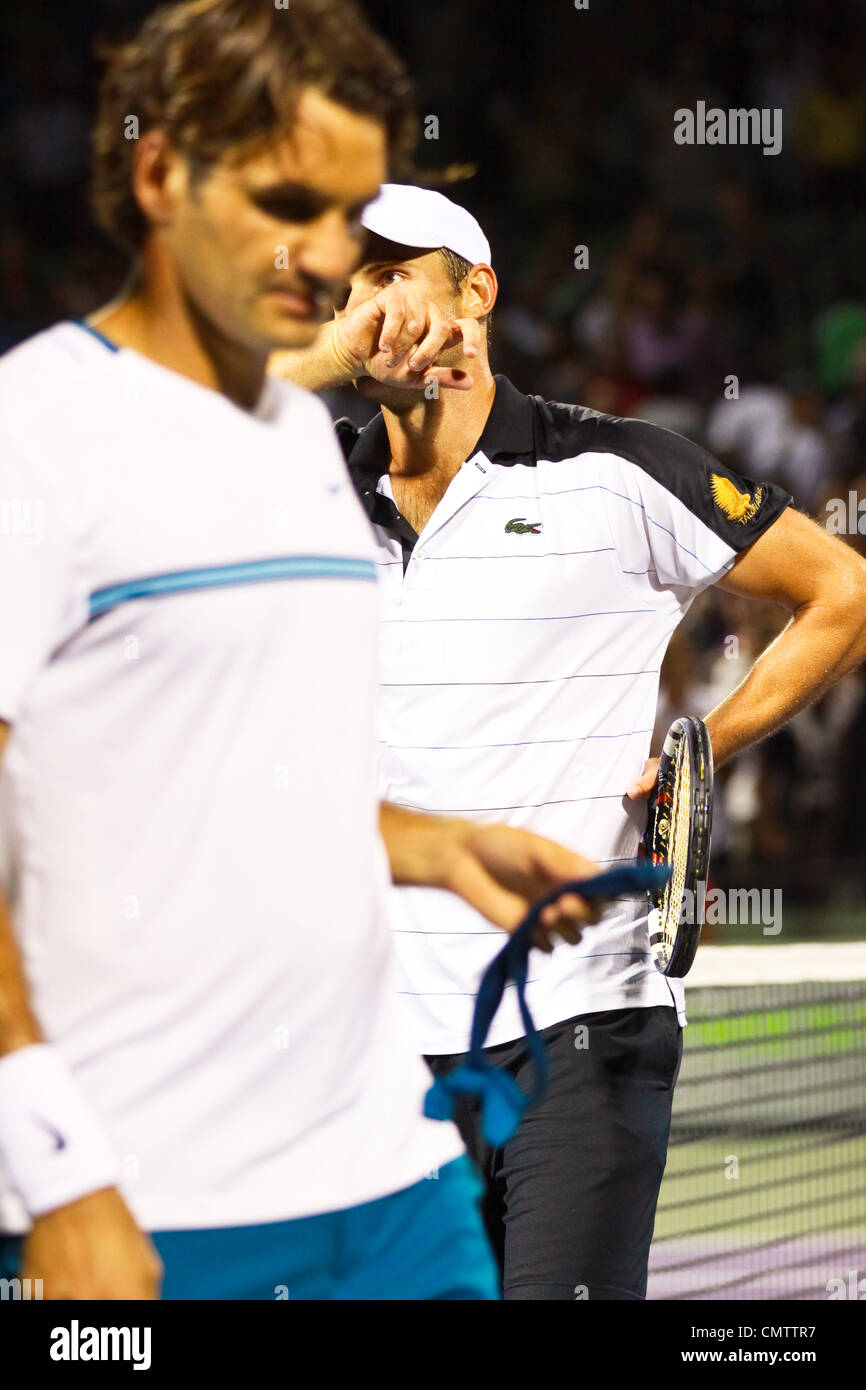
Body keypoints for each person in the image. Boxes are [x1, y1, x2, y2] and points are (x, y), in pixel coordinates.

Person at [0, 1, 597, 1302]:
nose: (325, 254)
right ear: (159, 175)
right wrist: (53, 1166)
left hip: (386, 1170)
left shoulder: (294, 446)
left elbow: (223, 776)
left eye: (343, 215)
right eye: (289, 201)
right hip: (144, 1191)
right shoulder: (33, 433)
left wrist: (427, 843)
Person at [273, 182, 866, 1300]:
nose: (371, 307)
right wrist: (310, 364)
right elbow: (118, 452)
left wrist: (703, 744)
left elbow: (842, 590)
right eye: (350, 285)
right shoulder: (297, 497)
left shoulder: (617, 470)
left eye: (397, 275)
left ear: (476, 294)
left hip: (584, 1024)